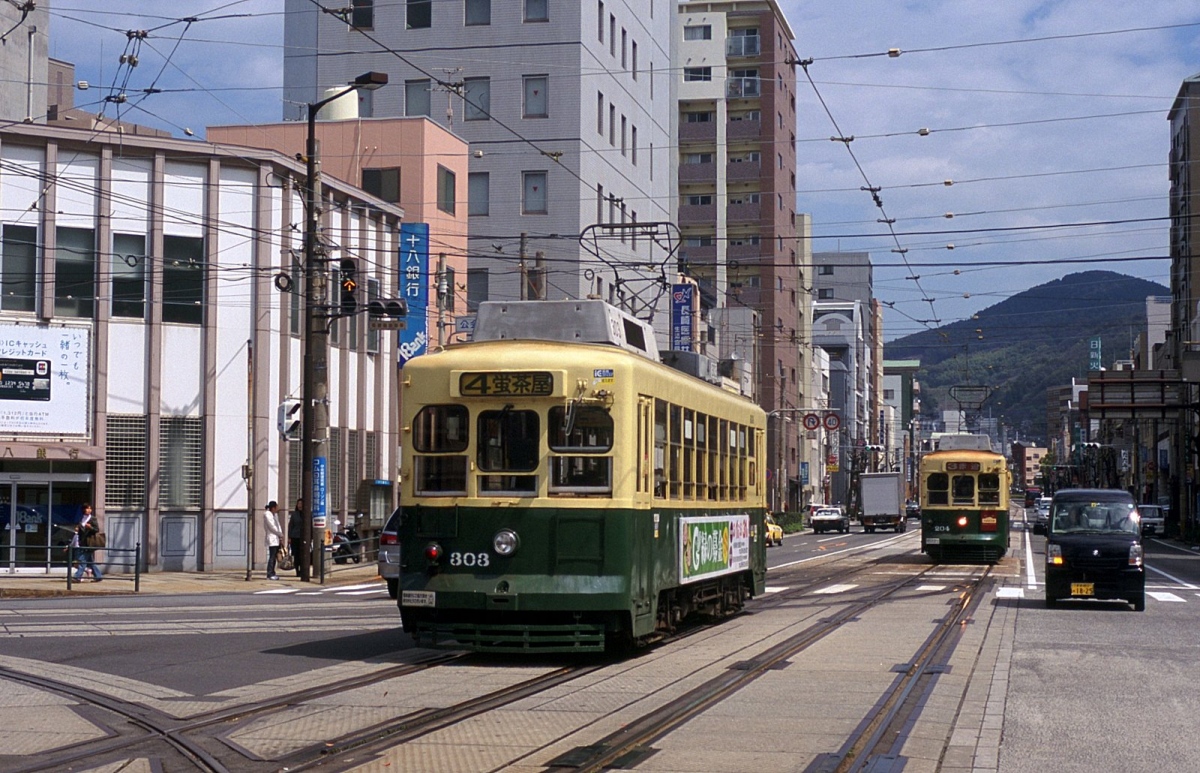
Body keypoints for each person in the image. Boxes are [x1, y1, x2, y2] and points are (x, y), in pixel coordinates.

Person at [73, 504, 103, 583]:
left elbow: (96, 529)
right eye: (87, 508)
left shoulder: (93, 519)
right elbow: (80, 531)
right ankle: (98, 576)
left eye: (90, 508)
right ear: (83, 509)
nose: (89, 510)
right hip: (82, 542)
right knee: (90, 562)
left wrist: (90, 527)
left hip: (89, 542)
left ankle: (77, 576)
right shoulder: (81, 518)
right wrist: (78, 531)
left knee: (82, 560)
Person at [263, 500, 284, 580]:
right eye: (276, 507)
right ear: (273, 508)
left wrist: (280, 535)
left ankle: (272, 572)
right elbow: (272, 527)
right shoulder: (267, 515)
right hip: (272, 538)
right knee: (272, 557)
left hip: (276, 538)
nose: (278, 508)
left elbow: (278, 526)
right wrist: (279, 534)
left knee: (274, 556)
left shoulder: (274, 515)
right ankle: (270, 573)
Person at [287, 498, 305, 577]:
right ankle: (297, 570)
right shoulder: (294, 514)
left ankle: (303, 570)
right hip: (295, 537)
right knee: (296, 555)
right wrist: (289, 537)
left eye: (301, 504)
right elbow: (290, 526)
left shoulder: (307, 514)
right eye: (298, 504)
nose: (300, 505)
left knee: (303, 555)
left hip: (304, 537)